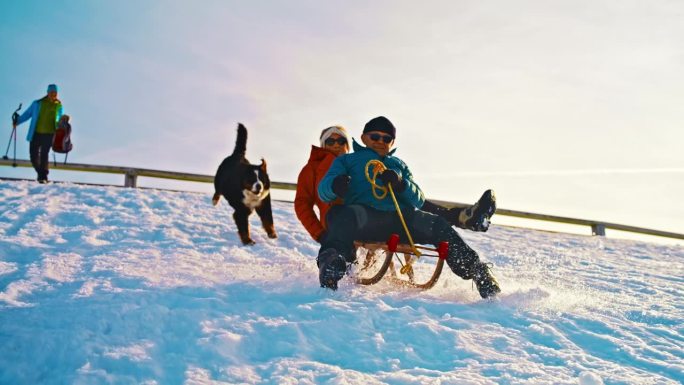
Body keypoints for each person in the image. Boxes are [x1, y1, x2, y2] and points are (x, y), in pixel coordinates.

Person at [316, 116, 501, 298]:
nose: (380, 141)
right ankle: (331, 262)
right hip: (366, 216)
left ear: (392, 141)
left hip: (401, 219)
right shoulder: (347, 161)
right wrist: (335, 186)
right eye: (375, 137)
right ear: (364, 138)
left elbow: (418, 199)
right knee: (340, 214)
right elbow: (323, 190)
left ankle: (478, 272)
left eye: (386, 138)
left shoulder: (398, 165)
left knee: (437, 224)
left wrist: (401, 184)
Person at [295, 126, 497, 243]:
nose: (336, 145)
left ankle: (464, 216)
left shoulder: (354, 163)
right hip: (345, 219)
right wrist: (320, 234)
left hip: (369, 211)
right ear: (323, 145)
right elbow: (302, 204)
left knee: (407, 198)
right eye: (331, 141)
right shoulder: (312, 169)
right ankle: (461, 217)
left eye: (341, 141)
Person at [14, 84, 64, 183]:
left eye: (55, 93)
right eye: (51, 92)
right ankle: (41, 174)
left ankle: (43, 177)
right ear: (47, 92)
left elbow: (59, 119)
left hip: (49, 134)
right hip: (36, 133)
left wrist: (64, 123)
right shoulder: (37, 103)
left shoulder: (58, 106)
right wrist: (17, 121)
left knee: (44, 155)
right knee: (33, 156)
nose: (53, 94)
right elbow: (27, 114)